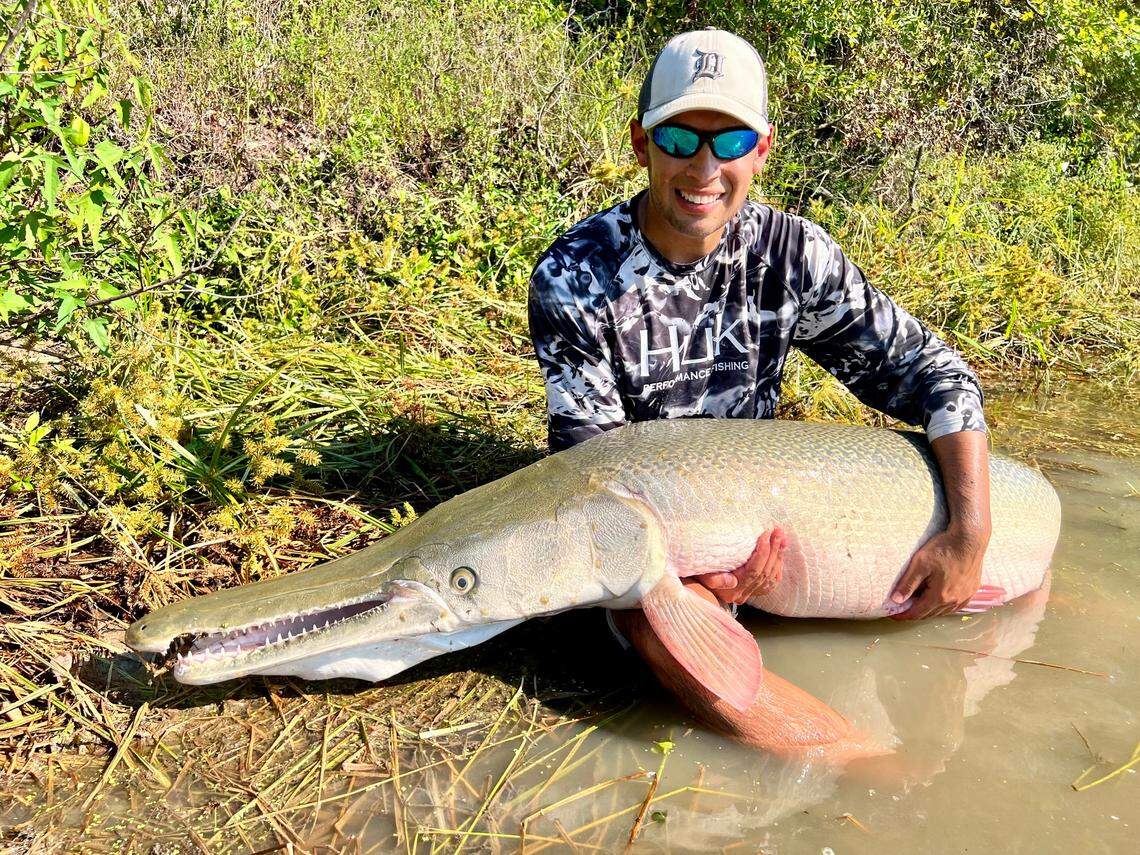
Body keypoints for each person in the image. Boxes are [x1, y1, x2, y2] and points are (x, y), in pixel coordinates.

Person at [527, 28, 992, 624]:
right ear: (643, 143)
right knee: (648, 613)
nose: (704, 168)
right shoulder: (575, 276)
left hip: (759, 518)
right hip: (653, 533)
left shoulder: (792, 253)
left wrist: (970, 536)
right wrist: (700, 576)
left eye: (731, 141)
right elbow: (588, 478)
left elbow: (938, 377)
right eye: (678, 137)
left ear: (761, 148)